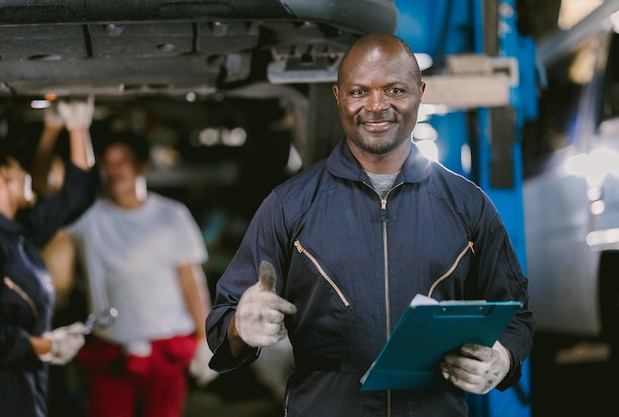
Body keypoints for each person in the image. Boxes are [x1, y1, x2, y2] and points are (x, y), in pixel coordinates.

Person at [205, 32, 535, 416]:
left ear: (420, 91)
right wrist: (240, 327)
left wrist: (503, 358)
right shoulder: (288, 206)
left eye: (394, 89)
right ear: (338, 96)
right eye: (359, 92)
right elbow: (222, 323)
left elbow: (517, 315)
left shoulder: (468, 205)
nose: (376, 106)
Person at [61, 129, 215, 417]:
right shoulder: (90, 217)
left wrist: (204, 338)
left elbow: (190, 279)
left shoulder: (171, 214)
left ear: (141, 167)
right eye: (108, 163)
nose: (114, 170)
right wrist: (76, 128)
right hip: (112, 352)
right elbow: (64, 190)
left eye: (122, 162)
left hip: (166, 351)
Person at [0, 98, 99, 417]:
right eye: (20, 169)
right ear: (4, 178)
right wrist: (45, 346)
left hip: (24, 378)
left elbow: (75, 196)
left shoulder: (18, 233)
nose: (28, 175)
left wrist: (78, 125)